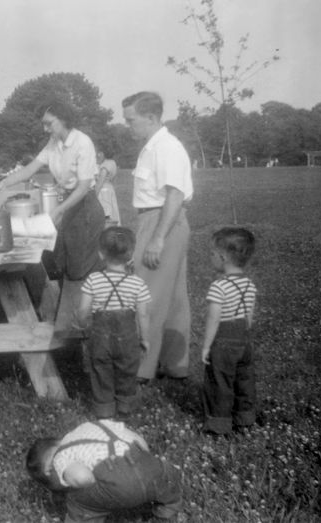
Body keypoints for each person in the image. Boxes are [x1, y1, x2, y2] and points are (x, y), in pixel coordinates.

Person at [0, 100, 105, 334]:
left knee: (79, 269)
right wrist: (2, 185)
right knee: (63, 264)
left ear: (64, 119)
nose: (45, 129)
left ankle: (84, 329)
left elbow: (84, 187)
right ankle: (71, 328)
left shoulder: (82, 143)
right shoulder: (54, 143)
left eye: (48, 124)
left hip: (84, 208)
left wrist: (58, 211)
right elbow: (30, 169)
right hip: (69, 206)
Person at [122, 92, 193, 382]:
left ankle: (140, 368)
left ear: (151, 118)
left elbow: (175, 194)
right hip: (161, 219)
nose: (127, 126)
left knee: (145, 294)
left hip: (162, 220)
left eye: (131, 120)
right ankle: (174, 364)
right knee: (175, 298)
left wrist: (157, 238)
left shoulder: (166, 147)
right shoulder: (152, 146)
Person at [26, 419, 182, 522]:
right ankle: (168, 510)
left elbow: (82, 477)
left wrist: (92, 482)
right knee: (168, 475)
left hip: (117, 483)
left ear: (48, 470)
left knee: (77, 499)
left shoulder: (60, 459)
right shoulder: (90, 427)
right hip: (147, 464)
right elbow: (138, 440)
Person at [77, 227, 151, 419]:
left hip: (100, 337)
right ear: (131, 254)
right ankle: (125, 408)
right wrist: (145, 339)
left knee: (101, 370)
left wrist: (82, 323)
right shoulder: (138, 283)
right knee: (127, 371)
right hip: (127, 339)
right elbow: (143, 315)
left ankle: (104, 411)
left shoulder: (93, 279)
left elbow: (84, 309)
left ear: (101, 254)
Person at [201, 227, 258, 435]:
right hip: (243, 339)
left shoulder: (219, 286)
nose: (211, 258)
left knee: (220, 382)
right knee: (244, 381)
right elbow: (249, 317)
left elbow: (214, 318)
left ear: (223, 257)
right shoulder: (249, 285)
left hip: (223, 341)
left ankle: (218, 425)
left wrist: (207, 346)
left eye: (212, 254)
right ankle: (245, 419)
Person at [95, 148, 121, 225]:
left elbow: (101, 181)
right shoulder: (112, 163)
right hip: (109, 189)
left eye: (99, 152)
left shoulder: (107, 164)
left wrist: (94, 195)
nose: (97, 155)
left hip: (103, 191)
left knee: (106, 213)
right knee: (110, 212)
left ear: (104, 153)